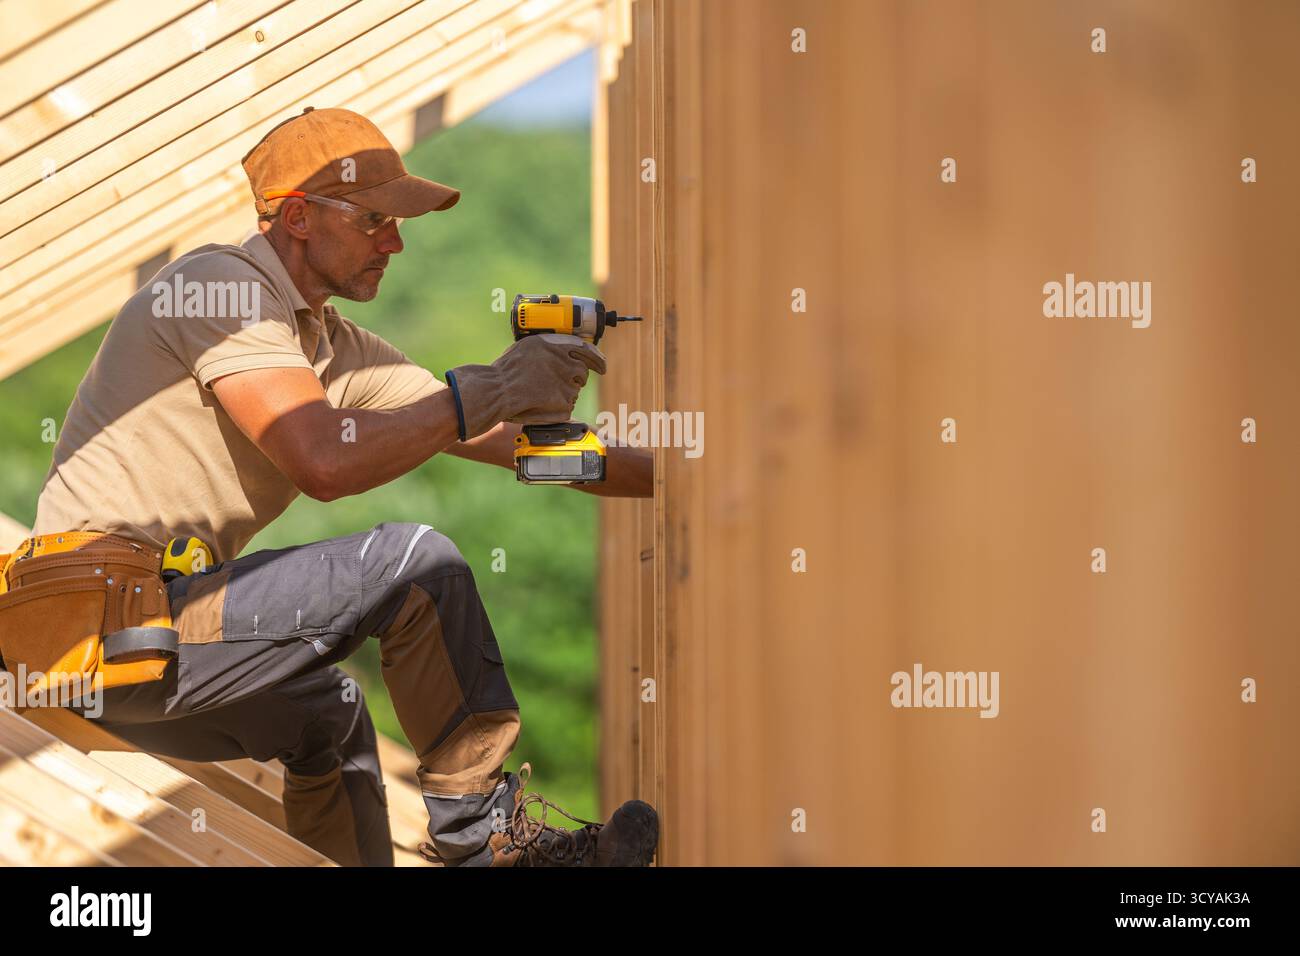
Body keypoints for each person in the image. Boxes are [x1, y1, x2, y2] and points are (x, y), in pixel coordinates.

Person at [15, 107, 658, 867]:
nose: (396, 241)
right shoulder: (220, 289)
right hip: (87, 629)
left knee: (331, 717)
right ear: (296, 216)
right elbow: (321, 461)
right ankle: (488, 845)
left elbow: (501, 439)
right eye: (376, 219)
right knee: (414, 563)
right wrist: (493, 385)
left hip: (153, 641)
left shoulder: (327, 343)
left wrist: (673, 474)